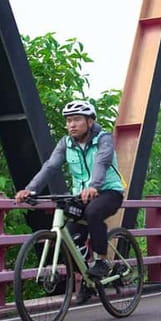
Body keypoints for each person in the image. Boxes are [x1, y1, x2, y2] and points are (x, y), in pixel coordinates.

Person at [15, 100, 125, 305]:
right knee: (70, 234)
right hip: (79, 195)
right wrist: (30, 189)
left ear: (90, 121)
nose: (71, 125)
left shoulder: (104, 139)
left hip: (108, 192)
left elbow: (102, 162)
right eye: (68, 121)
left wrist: (94, 185)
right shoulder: (65, 143)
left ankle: (101, 261)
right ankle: (86, 278)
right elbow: (50, 167)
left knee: (93, 213)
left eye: (76, 119)